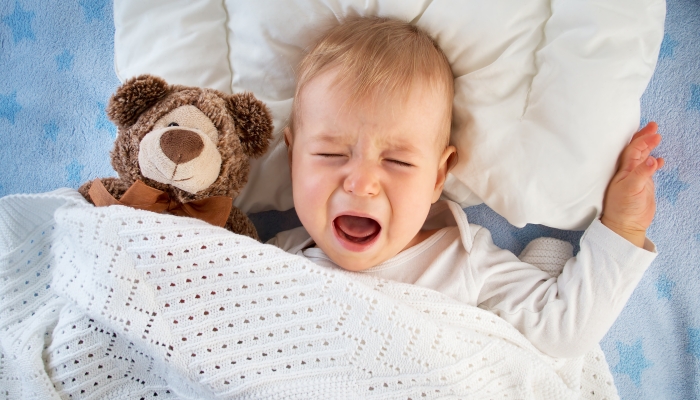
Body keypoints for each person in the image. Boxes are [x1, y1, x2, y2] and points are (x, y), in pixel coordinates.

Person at [268, 16, 663, 359]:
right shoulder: (268, 259)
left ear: (438, 177)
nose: (361, 183)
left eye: (398, 162)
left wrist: (623, 228)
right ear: (292, 158)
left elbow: (564, 330)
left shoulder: (462, 261)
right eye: (331, 154)